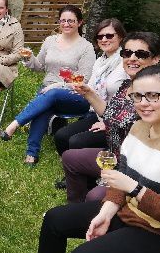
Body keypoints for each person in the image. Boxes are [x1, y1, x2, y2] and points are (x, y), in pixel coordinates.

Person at [2, 65, 160, 253]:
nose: (144, 103)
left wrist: (135, 190)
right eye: (137, 96)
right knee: (55, 220)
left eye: (153, 95)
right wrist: (105, 213)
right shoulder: (138, 128)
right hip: (130, 213)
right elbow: (121, 180)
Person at [61, 32, 160, 203]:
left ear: (156, 59)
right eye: (127, 53)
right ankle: (76, 208)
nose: (132, 58)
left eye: (141, 54)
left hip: (137, 170)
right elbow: (110, 114)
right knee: (70, 157)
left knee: (95, 197)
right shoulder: (126, 86)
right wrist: (89, 93)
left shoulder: (157, 94)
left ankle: (95, 214)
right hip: (114, 156)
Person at [1, 5, 96, 166]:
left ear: (79, 23)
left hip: (75, 96)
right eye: (63, 20)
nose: (66, 24)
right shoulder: (50, 41)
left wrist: (56, 86)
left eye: (71, 21)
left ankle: (14, 125)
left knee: (50, 95)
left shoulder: (86, 47)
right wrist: (28, 57)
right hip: (48, 92)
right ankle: (32, 154)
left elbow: (83, 82)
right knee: (44, 106)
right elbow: (39, 67)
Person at [52, 19, 128, 158]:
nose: (104, 39)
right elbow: (91, 88)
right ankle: (71, 167)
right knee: (61, 136)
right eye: (100, 36)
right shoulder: (100, 61)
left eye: (109, 36)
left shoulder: (126, 62)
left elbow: (129, 102)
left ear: (120, 37)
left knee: (76, 141)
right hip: (95, 113)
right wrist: (76, 83)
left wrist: (109, 123)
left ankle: (86, 171)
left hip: (117, 120)